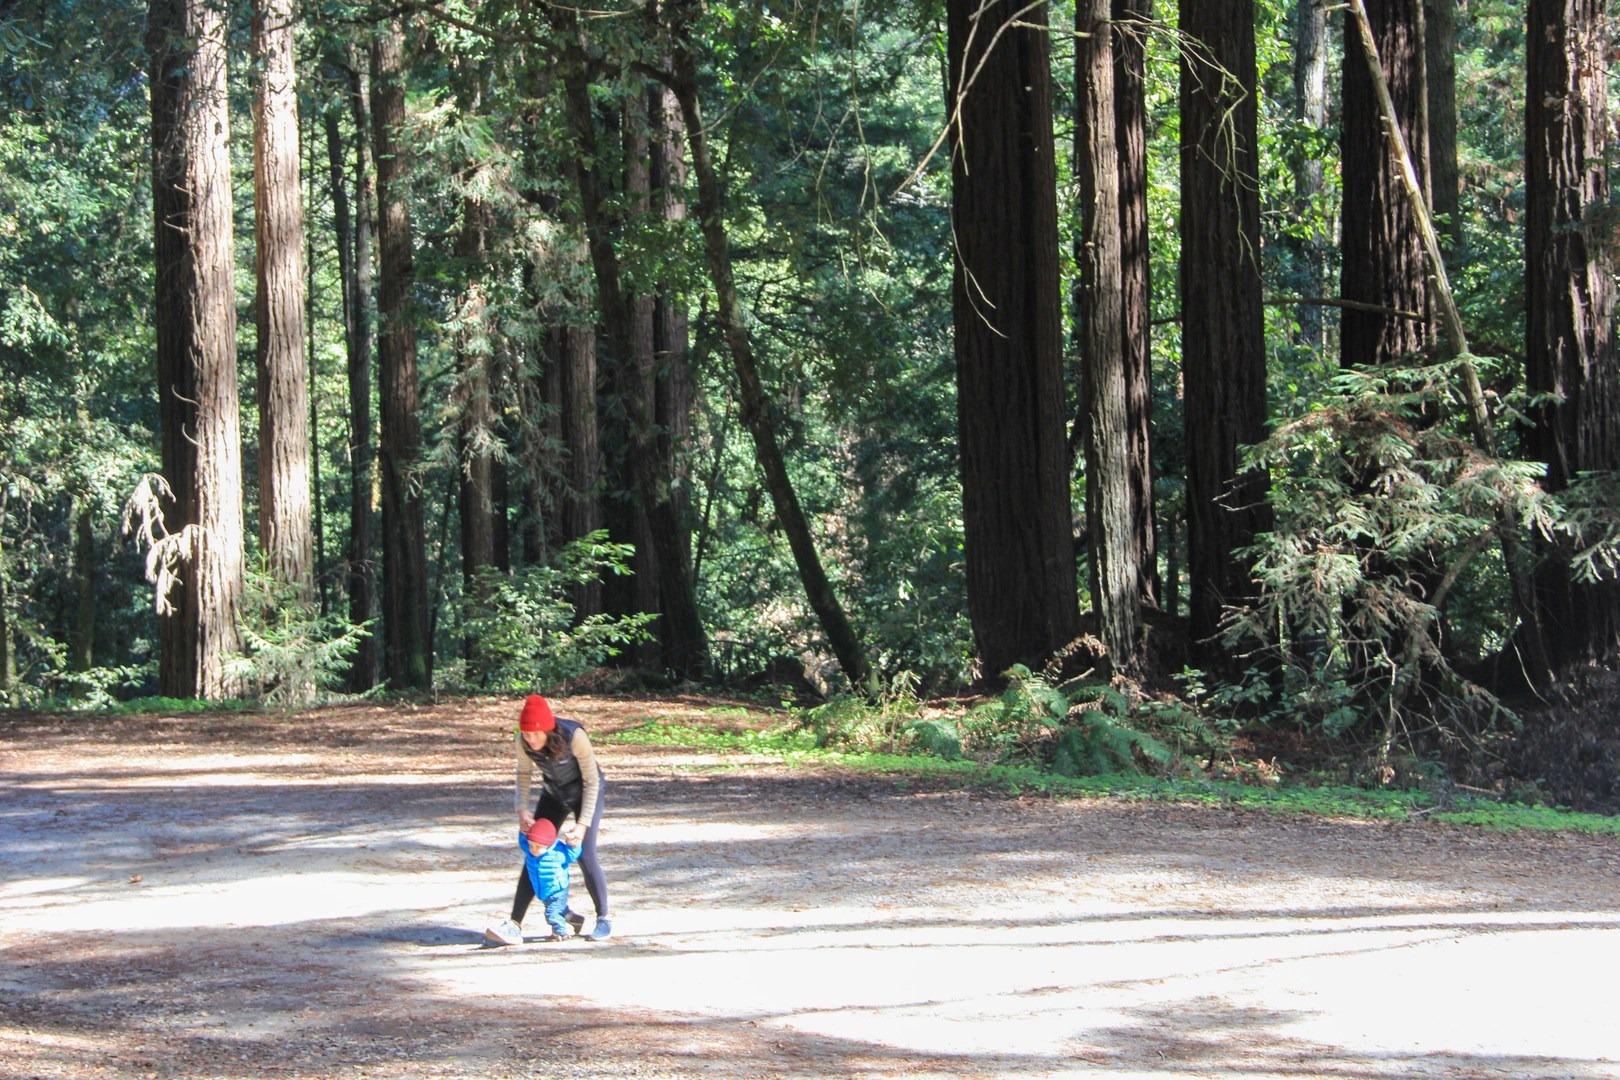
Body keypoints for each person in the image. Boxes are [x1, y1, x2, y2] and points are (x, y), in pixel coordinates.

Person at [484, 695, 612, 945]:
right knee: (535, 850)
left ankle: (604, 918)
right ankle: (515, 924)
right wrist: (521, 809)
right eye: (526, 734)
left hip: (587, 794)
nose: (530, 740)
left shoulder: (574, 736)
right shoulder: (523, 741)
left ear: (548, 728)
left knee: (585, 854)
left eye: (535, 734)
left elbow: (592, 781)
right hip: (554, 794)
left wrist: (582, 825)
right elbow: (523, 773)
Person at [517, 818, 580, 941]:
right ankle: (575, 919)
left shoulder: (558, 852)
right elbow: (523, 842)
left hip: (557, 889)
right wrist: (523, 831)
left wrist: (573, 844)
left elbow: (572, 855)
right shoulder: (530, 852)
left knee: (552, 914)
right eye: (531, 845)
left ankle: (560, 933)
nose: (534, 849)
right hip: (543, 890)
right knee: (560, 910)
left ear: (549, 844)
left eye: (538, 847)